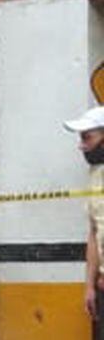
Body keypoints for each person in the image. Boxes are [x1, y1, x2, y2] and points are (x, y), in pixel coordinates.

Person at [70, 105, 104, 322]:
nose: (81, 146)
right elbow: (94, 231)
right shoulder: (95, 174)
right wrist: (89, 286)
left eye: (87, 138)